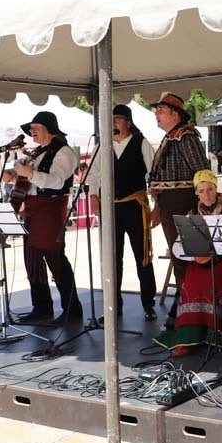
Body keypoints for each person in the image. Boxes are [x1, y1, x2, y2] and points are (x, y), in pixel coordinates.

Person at [154, 170, 222, 355]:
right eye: (202, 190)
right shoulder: (193, 213)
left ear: (216, 188)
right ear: (196, 192)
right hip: (205, 258)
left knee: (213, 280)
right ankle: (188, 336)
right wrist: (195, 254)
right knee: (192, 280)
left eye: (211, 189)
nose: (207, 195)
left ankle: (219, 331)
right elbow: (178, 246)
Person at [12, 111, 83, 325]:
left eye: (36, 127)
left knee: (54, 256)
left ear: (49, 129)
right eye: (31, 127)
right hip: (34, 208)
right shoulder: (36, 153)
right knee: (32, 258)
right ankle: (41, 307)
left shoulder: (64, 152)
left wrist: (30, 174)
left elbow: (57, 182)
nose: (32, 131)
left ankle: (72, 309)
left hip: (51, 207)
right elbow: (29, 180)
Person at [88, 104, 158, 321]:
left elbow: (154, 175)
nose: (114, 123)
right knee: (113, 258)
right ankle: (113, 306)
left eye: (118, 119)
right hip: (111, 208)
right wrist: (93, 197)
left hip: (135, 206)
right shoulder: (102, 146)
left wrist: (157, 206)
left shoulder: (141, 143)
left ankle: (148, 303)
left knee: (142, 256)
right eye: (111, 119)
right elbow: (93, 174)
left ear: (128, 122)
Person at [148, 92, 211, 327]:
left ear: (175, 114)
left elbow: (202, 172)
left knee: (188, 258)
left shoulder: (185, 136)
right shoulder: (170, 136)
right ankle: (184, 305)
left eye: (161, 111)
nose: (157, 114)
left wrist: (202, 206)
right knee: (179, 258)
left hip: (184, 205)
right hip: (169, 206)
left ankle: (188, 308)